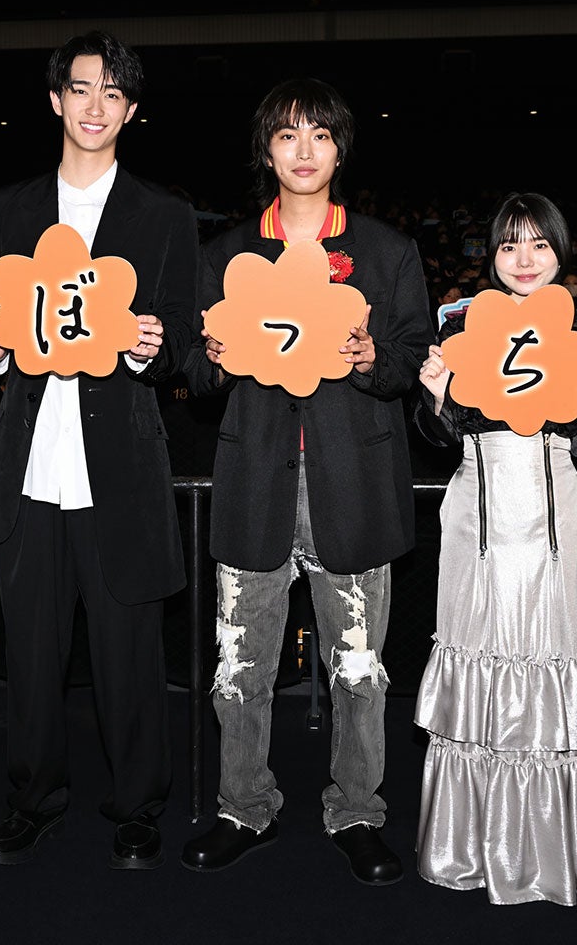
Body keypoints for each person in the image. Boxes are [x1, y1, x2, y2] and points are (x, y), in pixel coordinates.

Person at [180, 78, 433, 885]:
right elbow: (188, 368)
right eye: (288, 134)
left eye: (320, 135)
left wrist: (373, 359)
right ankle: (242, 806)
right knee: (239, 668)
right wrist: (213, 359)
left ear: (339, 148)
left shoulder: (385, 249)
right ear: (267, 149)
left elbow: (413, 357)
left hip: (351, 483)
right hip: (255, 480)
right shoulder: (225, 253)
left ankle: (357, 810)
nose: (304, 150)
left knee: (358, 669)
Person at [0, 30, 196, 870]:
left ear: (130, 111)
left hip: (120, 466)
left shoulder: (164, 215)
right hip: (31, 463)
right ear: (56, 98)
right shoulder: (6, 209)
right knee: (29, 652)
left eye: (113, 93)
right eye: (82, 88)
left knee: (128, 653)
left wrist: (151, 348)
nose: (96, 106)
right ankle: (33, 799)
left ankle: (138, 807)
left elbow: (186, 347)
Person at [413, 192, 577, 905]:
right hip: (476, 522)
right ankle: (468, 848)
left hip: (556, 520)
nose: (524, 258)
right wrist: (435, 395)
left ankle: (558, 852)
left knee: (555, 653)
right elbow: (442, 434)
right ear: (491, 255)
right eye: (510, 244)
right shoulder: (461, 325)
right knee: (478, 656)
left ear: (561, 253)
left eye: (539, 243)